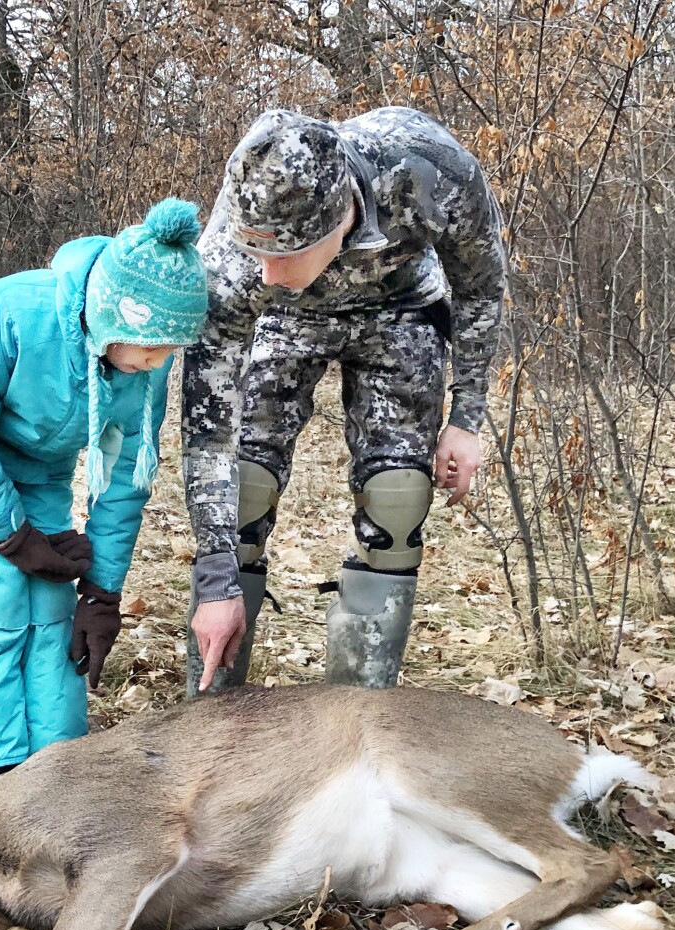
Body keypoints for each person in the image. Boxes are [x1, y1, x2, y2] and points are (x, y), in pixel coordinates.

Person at [182, 107, 507, 695]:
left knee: (398, 503)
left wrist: (467, 417)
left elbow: (482, 288)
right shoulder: (236, 264)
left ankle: (359, 722)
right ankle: (210, 719)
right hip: (283, 324)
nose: (270, 271)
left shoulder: (431, 169)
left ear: (341, 218)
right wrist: (213, 579)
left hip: (401, 308)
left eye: (286, 254)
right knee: (245, 491)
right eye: (258, 254)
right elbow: (210, 433)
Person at [0, 200, 208, 780]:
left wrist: (101, 594)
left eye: (170, 350)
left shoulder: (147, 360)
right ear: (109, 318)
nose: (157, 363)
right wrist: (11, 536)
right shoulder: (10, 312)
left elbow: (125, 481)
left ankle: (56, 767)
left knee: (53, 596)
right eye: (148, 349)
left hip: (44, 453)